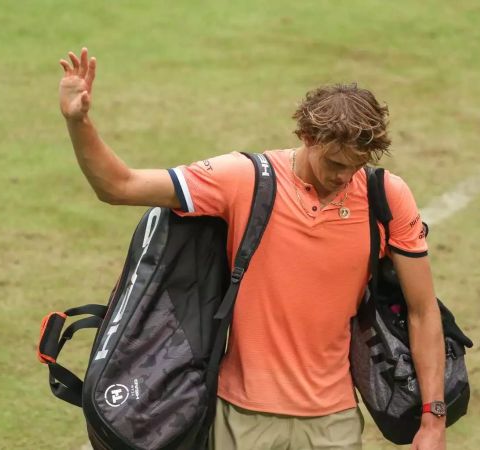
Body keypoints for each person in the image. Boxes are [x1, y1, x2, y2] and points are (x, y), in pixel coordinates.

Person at [58, 47, 447, 450]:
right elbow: (119, 186)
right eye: (334, 163)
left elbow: (423, 310)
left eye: (357, 164)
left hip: (334, 421)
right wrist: (79, 122)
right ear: (307, 137)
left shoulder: (387, 195)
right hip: (240, 418)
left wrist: (433, 418)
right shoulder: (246, 179)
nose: (344, 176)